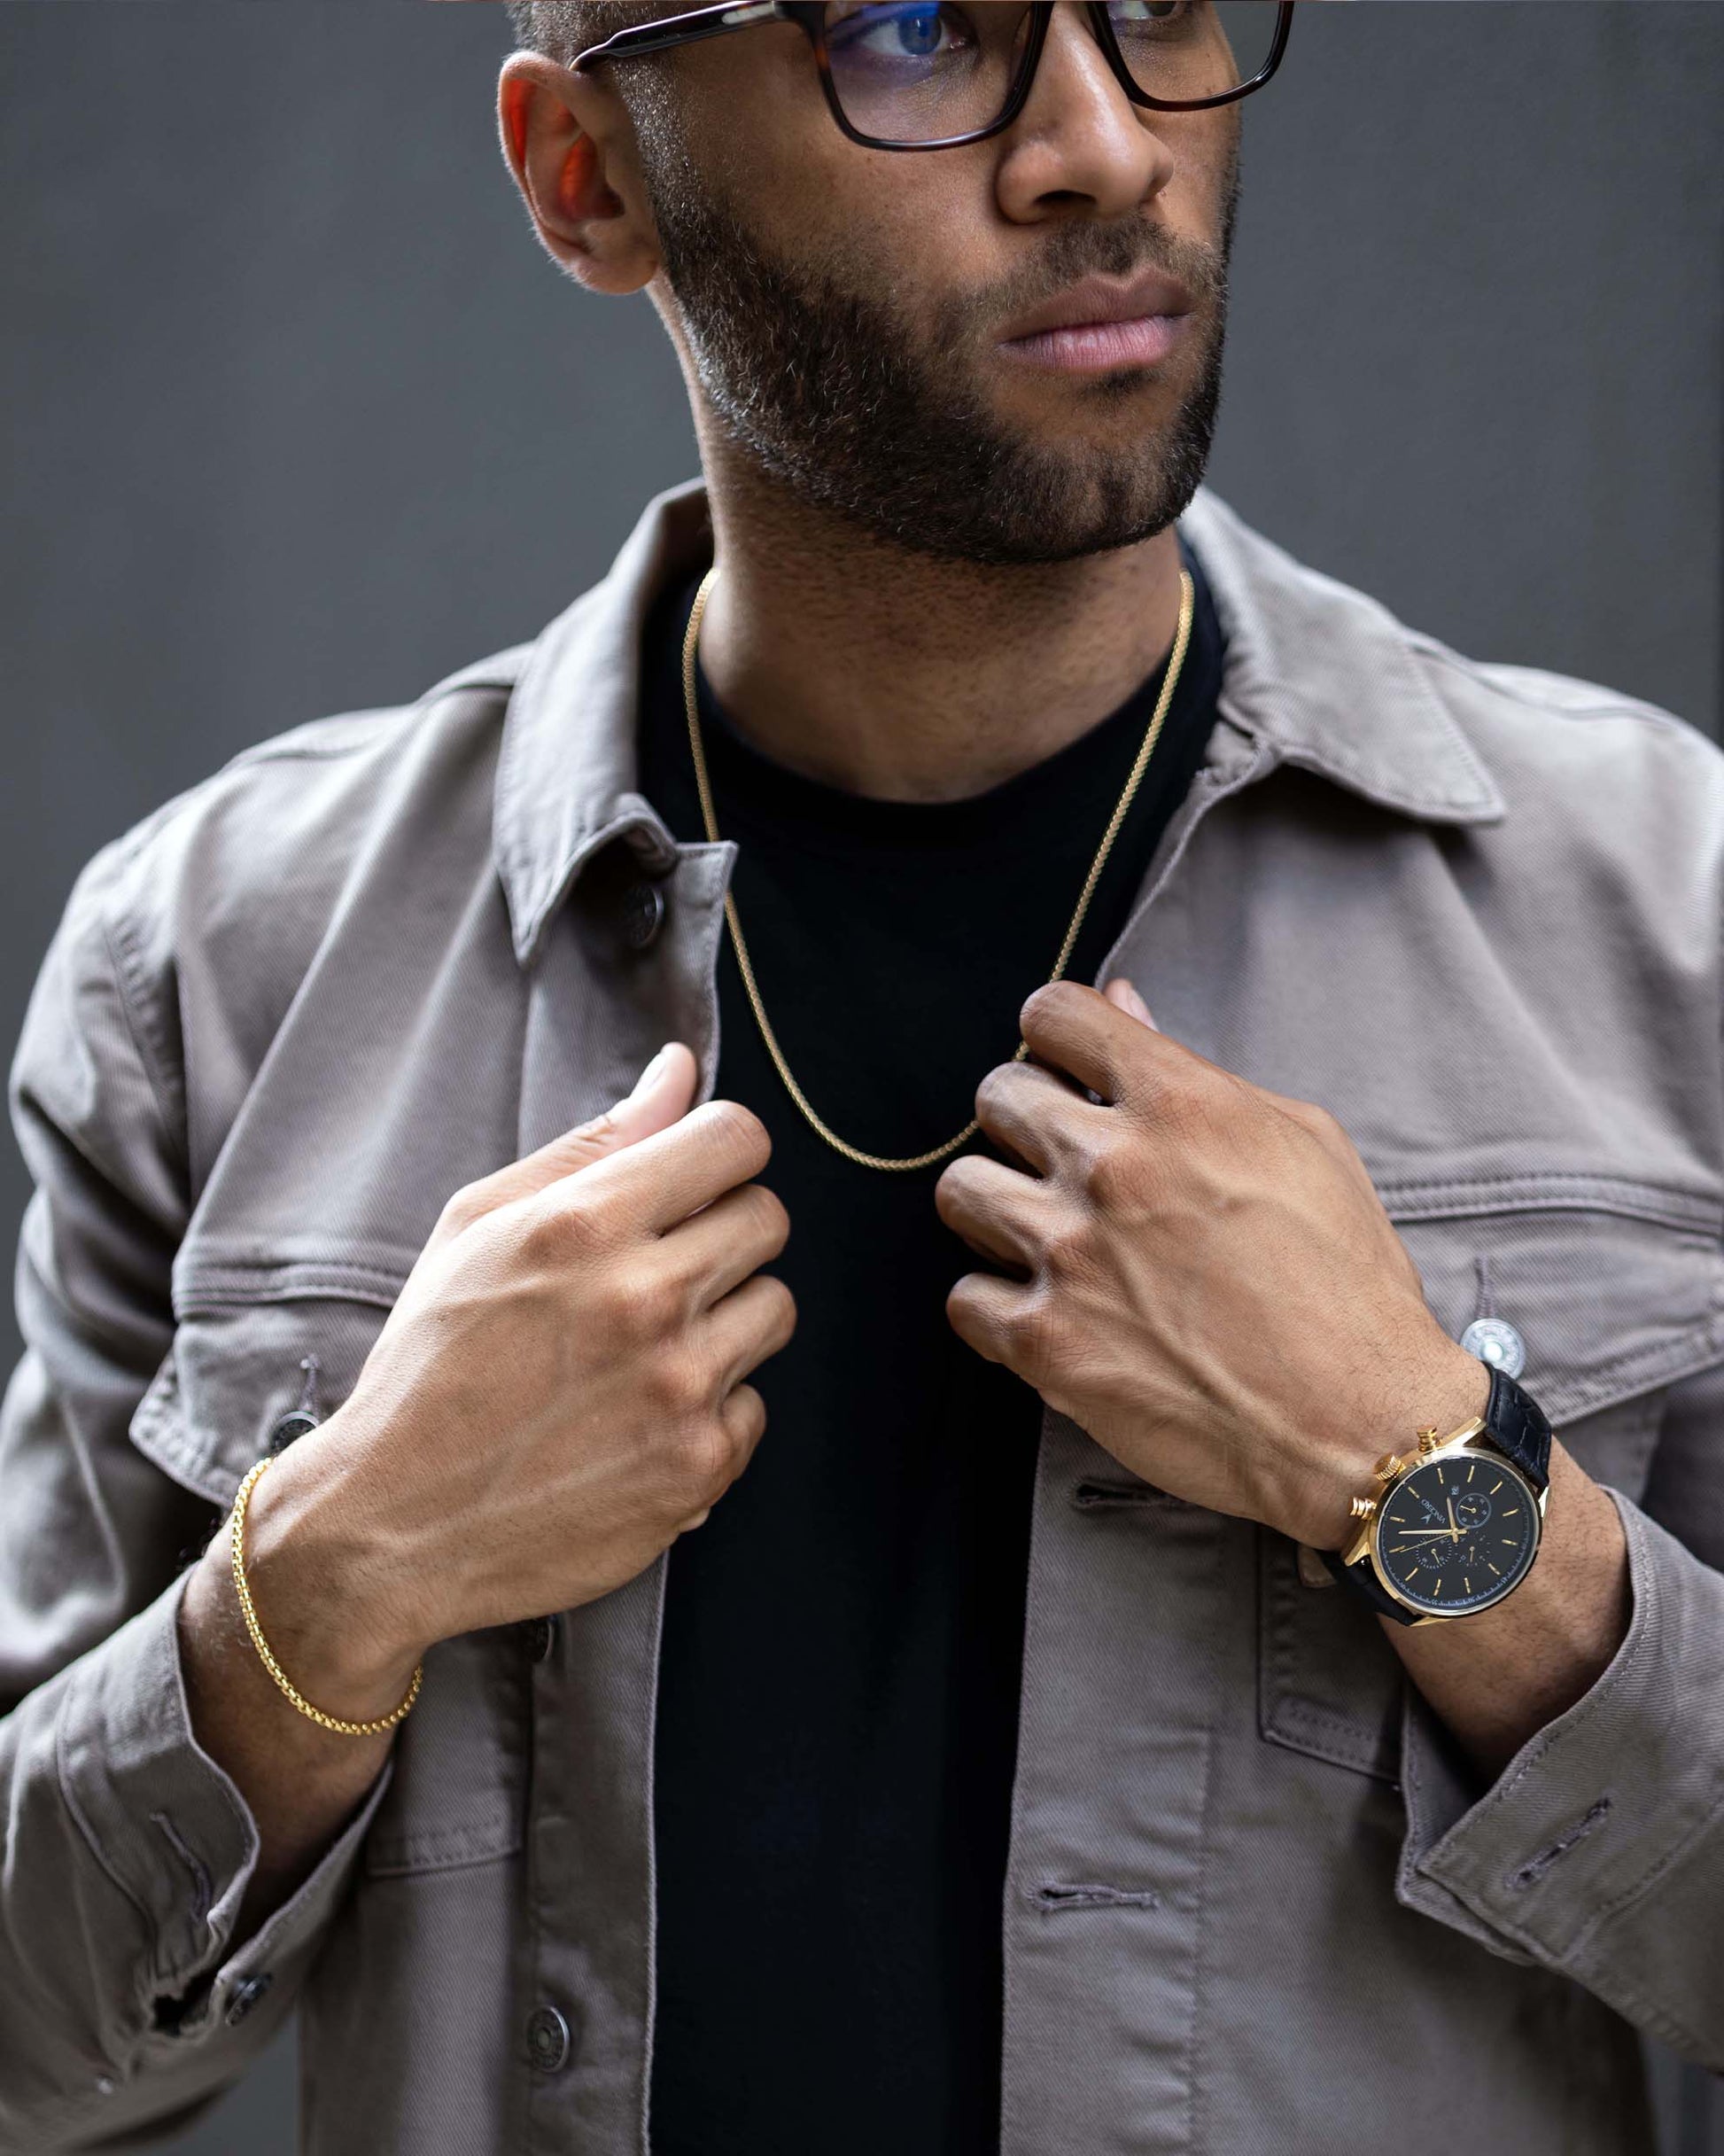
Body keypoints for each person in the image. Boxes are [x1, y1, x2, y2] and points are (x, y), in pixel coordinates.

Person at [2, 4, 1720, 2151]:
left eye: (1155, 5)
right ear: (587, 176)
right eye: (914, 30)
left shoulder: (1670, 919)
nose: (1105, 145)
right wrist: (332, 1574)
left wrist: (1426, 1477)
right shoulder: (214, 966)